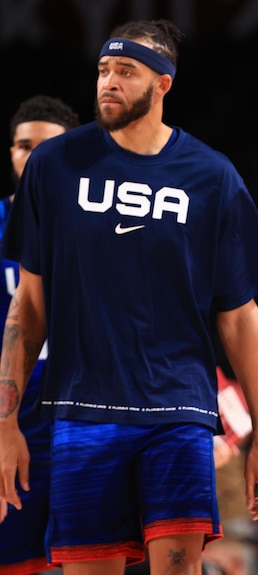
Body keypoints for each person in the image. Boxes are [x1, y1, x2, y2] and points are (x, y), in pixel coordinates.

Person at [0, 19, 258, 575]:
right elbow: (28, 307)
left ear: (163, 84)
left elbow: (240, 316)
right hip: (82, 411)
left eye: (125, 71)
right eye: (104, 70)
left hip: (177, 410)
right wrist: (6, 423)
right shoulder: (54, 168)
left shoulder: (211, 176)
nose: (108, 82)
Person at [0, 95, 80, 575]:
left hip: (84, 419)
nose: (31, 158)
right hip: (13, 423)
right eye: (21, 146)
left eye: (45, 147)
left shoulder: (105, 228)